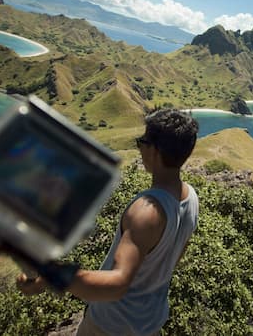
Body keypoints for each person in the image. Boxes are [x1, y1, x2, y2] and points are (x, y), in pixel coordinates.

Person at [17, 108, 200, 336]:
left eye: (142, 141)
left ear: (154, 150)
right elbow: (173, 260)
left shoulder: (146, 212)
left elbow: (117, 285)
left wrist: (48, 277)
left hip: (112, 326)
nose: (140, 147)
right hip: (151, 320)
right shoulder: (191, 198)